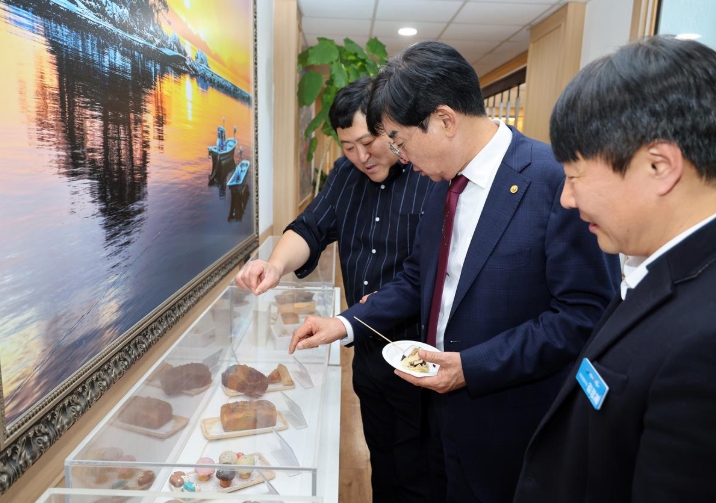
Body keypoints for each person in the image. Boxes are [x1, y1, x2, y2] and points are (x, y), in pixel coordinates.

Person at [289, 41, 620, 503]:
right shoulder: (440, 181)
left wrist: (471, 368)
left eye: (400, 141)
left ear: (444, 120)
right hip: (435, 416)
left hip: (507, 428)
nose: (402, 157)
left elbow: (585, 315)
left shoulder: (551, 181)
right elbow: (419, 278)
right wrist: (345, 324)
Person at [513, 36, 716, 503]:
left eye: (575, 175)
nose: (567, 198)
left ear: (659, 165)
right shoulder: (657, 265)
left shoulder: (704, 343)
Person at [235, 77, 436, 503]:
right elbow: (310, 228)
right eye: (348, 147)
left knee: (420, 474)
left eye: (368, 142)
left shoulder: (427, 176)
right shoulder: (346, 175)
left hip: (420, 355)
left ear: (389, 129)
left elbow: (421, 277)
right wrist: (274, 265)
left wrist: (346, 322)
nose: (361, 157)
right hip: (367, 353)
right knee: (382, 464)